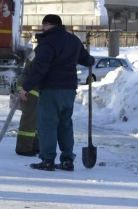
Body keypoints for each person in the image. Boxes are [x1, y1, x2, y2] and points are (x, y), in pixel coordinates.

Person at [19, 14, 95, 171]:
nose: (43, 28)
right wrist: (91, 60)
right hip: (69, 90)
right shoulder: (73, 40)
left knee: (47, 125)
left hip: (51, 89)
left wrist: (27, 87)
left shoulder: (47, 43)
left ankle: (48, 160)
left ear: (50, 25)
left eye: (44, 25)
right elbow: (86, 59)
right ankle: (67, 160)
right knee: (65, 125)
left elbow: (40, 68)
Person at [14, 51, 41, 157]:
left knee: (36, 120)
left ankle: (35, 145)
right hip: (30, 88)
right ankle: (24, 148)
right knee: (29, 120)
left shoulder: (38, 51)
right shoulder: (42, 51)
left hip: (30, 87)